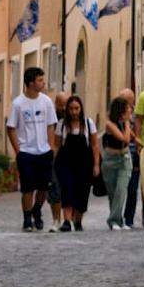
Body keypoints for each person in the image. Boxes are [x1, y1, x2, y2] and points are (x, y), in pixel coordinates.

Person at [5, 67, 57, 232]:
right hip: (26, 152)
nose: (43, 83)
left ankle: (37, 209)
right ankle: (27, 218)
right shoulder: (18, 104)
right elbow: (11, 127)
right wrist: (18, 150)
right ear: (31, 83)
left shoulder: (46, 102)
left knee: (43, 187)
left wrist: (50, 146)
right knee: (28, 188)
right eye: (40, 80)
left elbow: (50, 125)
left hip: (44, 151)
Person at [52, 94, 98, 232]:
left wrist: (96, 165)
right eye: (71, 108)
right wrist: (52, 162)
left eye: (76, 108)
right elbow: (57, 145)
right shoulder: (62, 125)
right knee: (67, 189)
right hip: (66, 163)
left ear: (81, 108)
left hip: (85, 163)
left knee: (82, 192)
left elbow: (95, 145)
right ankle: (66, 220)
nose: (74, 112)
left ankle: (78, 220)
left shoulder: (89, 124)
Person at [101, 96, 134, 230]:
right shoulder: (110, 124)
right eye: (128, 108)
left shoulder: (123, 123)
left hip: (124, 159)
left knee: (121, 190)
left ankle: (113, 220)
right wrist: (127, 122)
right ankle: (118, 221)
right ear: (121, 110)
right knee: (113, 193)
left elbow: (131, 137)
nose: (130, 111)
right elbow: (124, 138)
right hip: (110, 160)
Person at [48, 91, 70, 228]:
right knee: (54, 190)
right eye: (61, 105)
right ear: (56, 104)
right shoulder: (51, 118)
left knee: (68, 189)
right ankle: (56, 219)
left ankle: (68, 219)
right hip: (55, 158)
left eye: (66, 105)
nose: (63, 109)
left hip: (69, 159)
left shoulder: (76, 118)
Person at [119, 87, 140, 229]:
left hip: (134, 153)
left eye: (128, 100)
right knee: (120, 189)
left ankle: (129, 219)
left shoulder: (136, 114)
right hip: (121, 153)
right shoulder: (116, 115)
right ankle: (117, 217)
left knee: (132, 188)